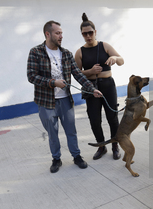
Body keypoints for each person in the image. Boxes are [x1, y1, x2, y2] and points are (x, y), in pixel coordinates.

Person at [27, 20, 103, 173]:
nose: (61, 36)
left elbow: (78, 75)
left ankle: (76, 156)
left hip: (65, 101)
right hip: (46, 102)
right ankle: (56, 159)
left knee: (71, 131)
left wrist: (91, 88)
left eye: (61, 33)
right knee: (52, 133)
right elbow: (31, 76)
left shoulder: (66, 53)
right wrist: (53, 82)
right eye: (57, 33)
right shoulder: (36, 52)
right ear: (48, 34)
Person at [75, 13, 124, 161]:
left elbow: (122, 61)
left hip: (108, 85)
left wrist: (115, 58)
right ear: (82, 35)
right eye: (85, 34)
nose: (88, 36)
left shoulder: (104, 46)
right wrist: (90, 71)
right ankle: (101, 146)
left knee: (112, 117)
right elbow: (76, 74)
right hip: (91, 88)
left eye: (90, 33)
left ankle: (115, 145)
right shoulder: (80, 52)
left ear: (95, 32)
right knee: (94, 119)